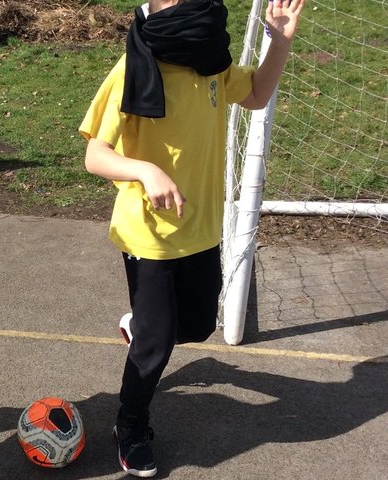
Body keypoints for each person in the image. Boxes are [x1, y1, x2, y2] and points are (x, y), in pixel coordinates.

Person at [79, 0, 305, 477]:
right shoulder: (134, 68)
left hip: (201, 226)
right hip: (151, 233)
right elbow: (95, 156)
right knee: (155, 347)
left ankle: (141, 325)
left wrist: (280, 41)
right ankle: (131, 425)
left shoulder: (210, 64)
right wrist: (144, 170)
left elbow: (258, 94)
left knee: (199, 326)